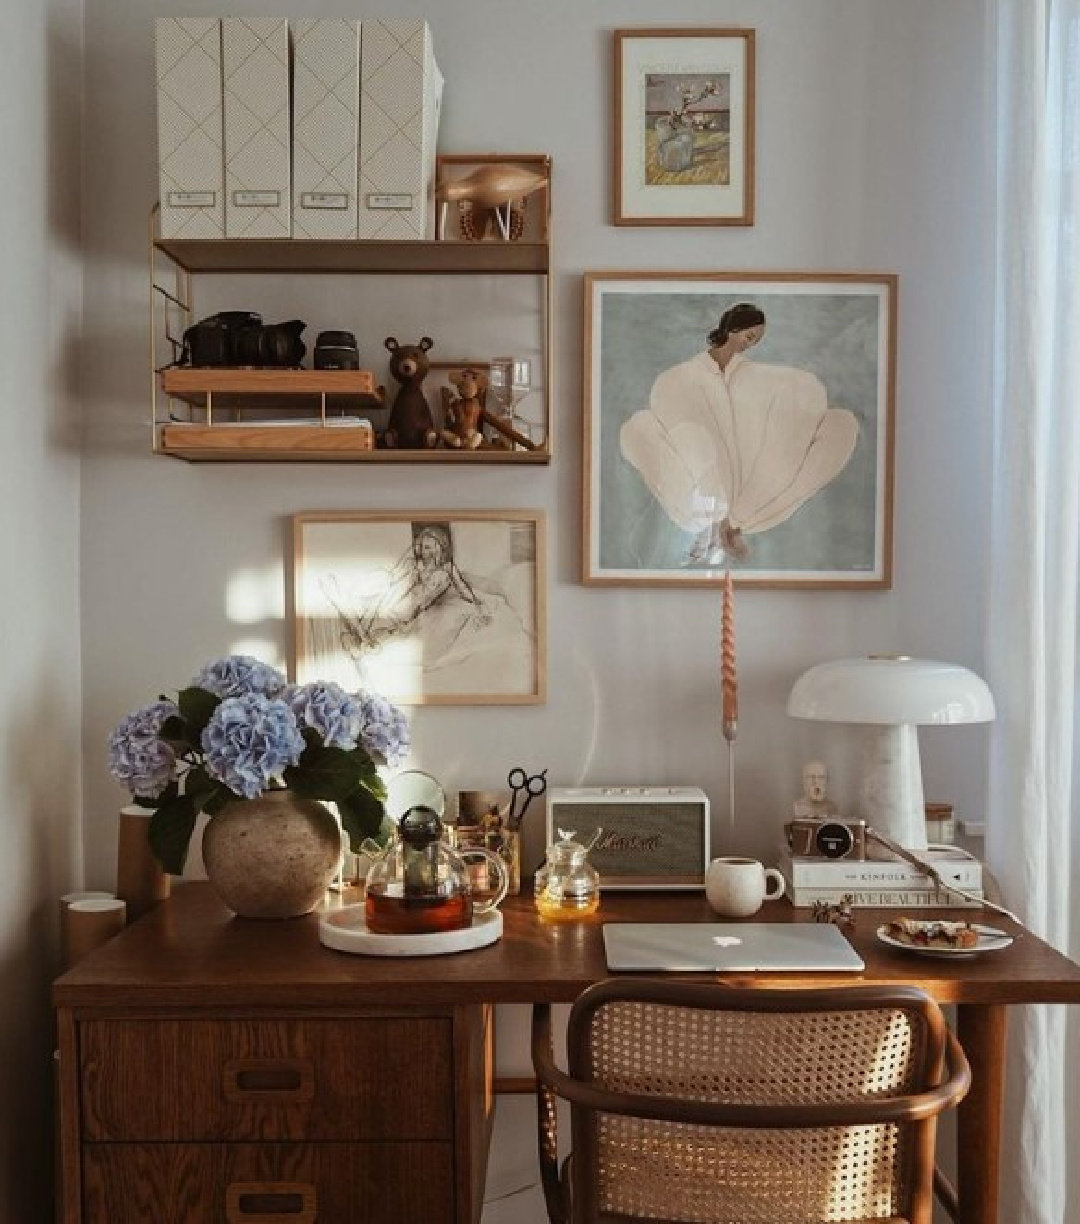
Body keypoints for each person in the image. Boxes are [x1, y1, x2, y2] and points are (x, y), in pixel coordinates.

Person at [619, 302, 859, 566]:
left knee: (842, 426)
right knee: (642, 431)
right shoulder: (678, 379)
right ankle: (718, 526)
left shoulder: (756, 379)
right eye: (750, 337)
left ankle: (724, 526)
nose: (750, 344)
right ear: (733, 330)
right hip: (702, 491)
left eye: (755, 341)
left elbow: (792, 404)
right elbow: (689, 440)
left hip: (748, 499)